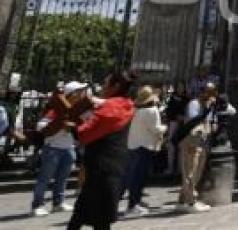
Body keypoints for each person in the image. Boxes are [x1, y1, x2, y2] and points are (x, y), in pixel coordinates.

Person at [67, 71, 135, 230]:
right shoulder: (126, 104)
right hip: (113, 166)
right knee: (97, 218)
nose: (103, 87)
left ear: (116, 86)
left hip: (101, 167)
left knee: (88, 218)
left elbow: (84, 133)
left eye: (106, 83)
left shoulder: (111, 108)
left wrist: (71, 127)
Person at [30, 81, 88, 217]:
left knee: (63, 178)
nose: (82, 95)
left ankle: (58, 203)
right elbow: (40, 126)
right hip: (53, 148)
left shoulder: (76, 110)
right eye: (79, 92)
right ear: (72, 94)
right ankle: (37, 205)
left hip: (68, 148)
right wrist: (61, 124)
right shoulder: (56, 109)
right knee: (44, 178)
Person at [123, 85, 166, 217]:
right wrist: (164, 128)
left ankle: (134, 203)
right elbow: (156, 129)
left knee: (133, 175)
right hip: (145, 146)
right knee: (140, 177)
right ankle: (133, 205)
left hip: (133, 145)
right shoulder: (152, 111)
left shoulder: (135, 109)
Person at [175, 83, 216, 212]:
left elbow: (210, 122)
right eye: (208, 92)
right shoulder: (194, 104)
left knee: (197, 170)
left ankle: (183, 199)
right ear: (202, 92)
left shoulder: (208, 105)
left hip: (202, 141)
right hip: (191, 141)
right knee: (190, 170)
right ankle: (191, 201)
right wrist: (207, 111)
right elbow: (194, 121)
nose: (211, 95)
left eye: (212, 92)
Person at [163, 82, 189, 177]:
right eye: (179, 87)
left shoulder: (186, 99)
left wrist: (183, 117)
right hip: (173, 123)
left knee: (182, 147)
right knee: (171, 146)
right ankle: (170, 168)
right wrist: (175, 116)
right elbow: (168, 111)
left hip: (183, 124)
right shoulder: (172, 98)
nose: (180, 89)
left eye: (182, 87)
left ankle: (180, 169)